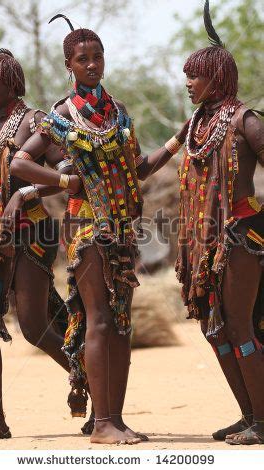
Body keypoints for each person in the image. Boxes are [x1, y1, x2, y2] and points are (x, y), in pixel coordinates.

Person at [9, 15, 189, 444]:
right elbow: (18, 161)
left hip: (124, 228)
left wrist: (177, 139)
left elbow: (139, 168)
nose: (92, 64)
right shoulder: (62, 114)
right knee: (100, 321)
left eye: (97, 57)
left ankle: (114, 420)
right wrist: (62, 180)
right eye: (82, 59)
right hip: (87, 227)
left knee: (122, 324)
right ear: (69, 65)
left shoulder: (118, 112)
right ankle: (103, 421)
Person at [0, 49, 82, 442]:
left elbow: (68, 173)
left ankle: (88, 377)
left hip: (31, 232)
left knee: (34, 327)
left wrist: (27, 190)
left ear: (11, 84)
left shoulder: (35, 121)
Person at [175, 1, 264, 445]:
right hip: (205, 243)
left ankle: (262, 422)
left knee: (240, 325)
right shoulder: (195, 124)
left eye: (194, 74)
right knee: (216, 329)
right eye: (187, 74)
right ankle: (249, 412)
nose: (187, 82)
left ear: (217, 77)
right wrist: (110, 161)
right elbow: (153, 163)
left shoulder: (245, 119)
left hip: (242, 236)